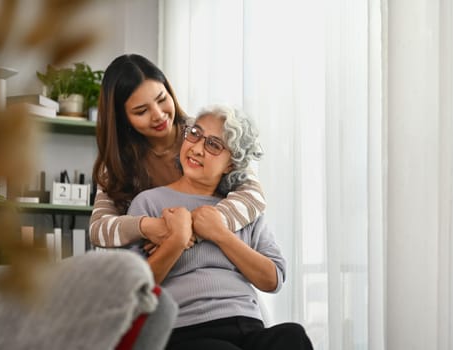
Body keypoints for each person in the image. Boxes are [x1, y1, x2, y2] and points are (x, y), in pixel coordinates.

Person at [127, 105, 314, 350]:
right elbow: (133, 289)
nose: (196, 148)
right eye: (195, 133)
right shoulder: (149, 202)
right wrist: (177, 239)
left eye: (214, 145)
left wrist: (221, 234)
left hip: (248, 326)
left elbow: (273, 279)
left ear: (230, 164)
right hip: (186, 329)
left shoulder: (242, 208)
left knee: (293, 337)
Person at [90, 54, 266, 248]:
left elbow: (254, 196)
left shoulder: (201, 134)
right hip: (159, 266)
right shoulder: (118, 162)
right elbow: (98, 229)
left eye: (161, 99)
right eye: (141, 111)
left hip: (212, 252)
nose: (158, 115)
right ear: (122, 119)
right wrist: (147, 226)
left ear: (169, 91)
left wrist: (188, 229)